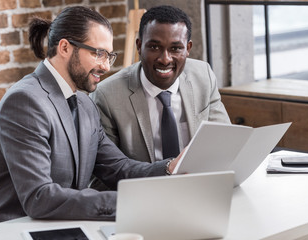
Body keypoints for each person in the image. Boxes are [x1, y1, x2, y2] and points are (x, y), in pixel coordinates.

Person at [0, 6, 181, 226]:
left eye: (110, 56)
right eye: (99, 53)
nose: (106, 66)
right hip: (14, 230)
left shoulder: (84, 104)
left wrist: (169, 167)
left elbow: (118, 168)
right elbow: (39, 197)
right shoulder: (24, 102)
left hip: (64, 226)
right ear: (65, 48)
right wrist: (132, 202)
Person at [91, 5, 231, 163]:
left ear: (188, 48)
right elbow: (105, 172)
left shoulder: (202, 75)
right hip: (144, 185)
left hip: (198, 180)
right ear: (139, 46)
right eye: (154, 47)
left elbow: (226, 143)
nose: (165, 59)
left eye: (175, 48)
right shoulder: (107, 95)